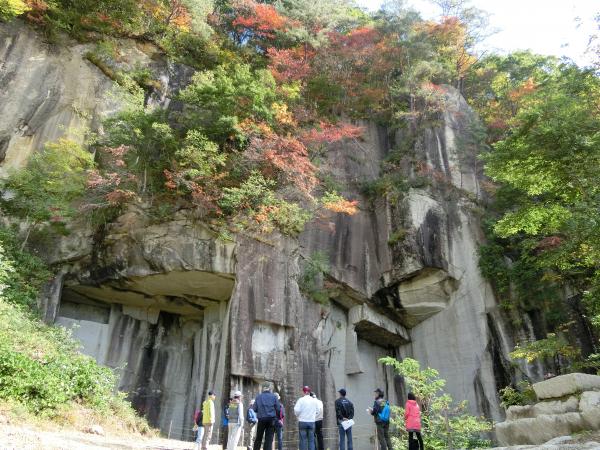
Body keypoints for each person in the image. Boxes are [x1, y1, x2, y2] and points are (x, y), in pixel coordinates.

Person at [253, 383, 281, 450]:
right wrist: (277, 417)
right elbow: (278, 409)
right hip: (271, 419)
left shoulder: (258, 397)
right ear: (269, 388)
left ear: (263, 388)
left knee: (259, 437)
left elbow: (254, 408)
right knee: (269, 439)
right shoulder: (274, 397)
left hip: (261, 419)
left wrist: (260, 411)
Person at [294, 386, 318, 450]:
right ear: (309, 392)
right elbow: (318, 410)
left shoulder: (300, 400)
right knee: (311, 440)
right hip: (312, 422)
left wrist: (298, 415)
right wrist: (313, 415)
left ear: (304, 392)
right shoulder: (314, 400)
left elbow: (296, 410)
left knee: (303, 440)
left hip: (302, 421)